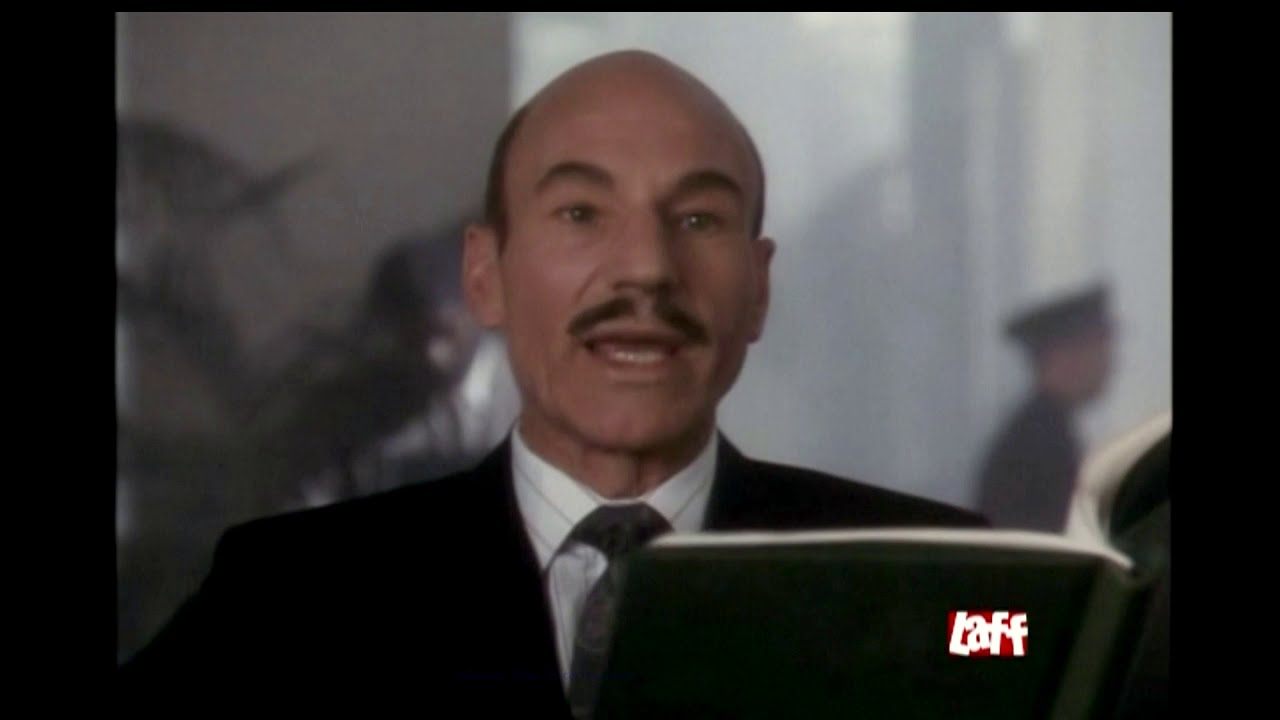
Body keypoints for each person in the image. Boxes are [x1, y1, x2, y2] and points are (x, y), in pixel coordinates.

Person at [121, 50, 985, 712]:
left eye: (697, 218)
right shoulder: (287, 602)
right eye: (580, 213)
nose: (646, 268)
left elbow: (1009, 646)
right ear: (484, 274)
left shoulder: (948, 592)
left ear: (758, 289)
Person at [976, 282, 1115, 532]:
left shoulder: (1043, 430)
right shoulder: (1038, 444)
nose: (1107, 365)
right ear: (1062, 356)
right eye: (1096, 348)